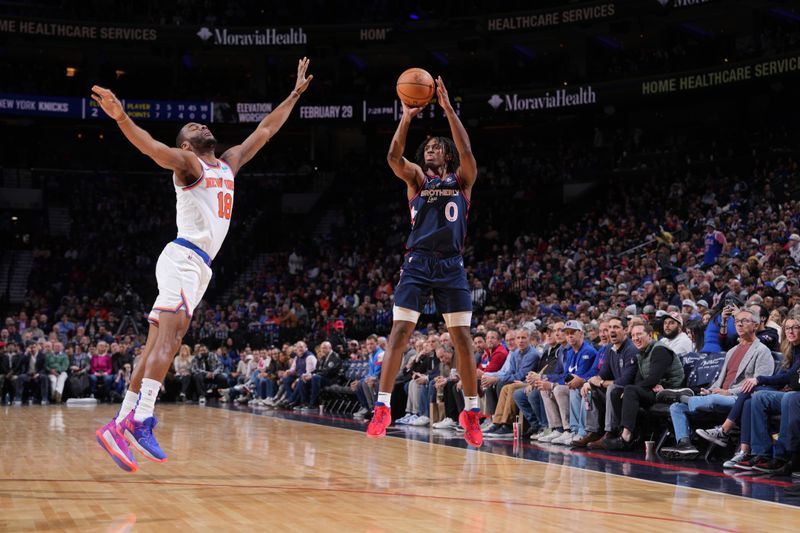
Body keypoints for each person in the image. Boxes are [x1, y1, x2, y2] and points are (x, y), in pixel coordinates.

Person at [92, 58, 313, 473]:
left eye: (201, 126)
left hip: (200, 267)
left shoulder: (227, 162)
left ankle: (119, 422)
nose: (202, 127)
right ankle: (142, 419)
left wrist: (294, 95)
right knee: (171, 340)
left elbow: (265, 130)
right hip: (183, 257)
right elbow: (151, 148)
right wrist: (122, 117)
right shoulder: (188, 164)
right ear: (187, 146)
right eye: (193, 130)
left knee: (157, 345)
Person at [366, 77, 483, 446]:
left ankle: (472, 411)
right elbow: (391, 157)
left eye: (435, 147)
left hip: (451, 265)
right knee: (400, 333)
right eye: (427, 147)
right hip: (416, 263)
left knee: (462, 339)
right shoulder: (416, 179)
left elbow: (466, 150)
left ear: (445, 154)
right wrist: (405, 118)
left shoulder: (463, 180)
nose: (429, 150)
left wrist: (448, 109)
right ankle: (382, 407)